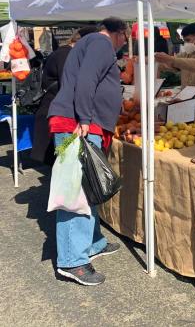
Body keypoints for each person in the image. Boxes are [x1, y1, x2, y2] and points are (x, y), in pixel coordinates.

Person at [47, 17, 128, 286]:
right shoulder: (101, 43)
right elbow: (86, 80)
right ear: (118, 33)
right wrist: (83, 118)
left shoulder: (91, 43)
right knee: (76, 191)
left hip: (82, 123)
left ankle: (92, 242)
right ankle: (72, 261)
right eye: (125, 38)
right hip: (77, 125)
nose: (124, 44)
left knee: (89, 184)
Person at [30, 26, 97, 167]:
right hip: (59, 114)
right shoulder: (65, 55)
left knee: (64, 163)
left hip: (58, 111)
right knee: (66, 164)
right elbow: (72, 85)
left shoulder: (68, 53)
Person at [155, 23, 195, 99]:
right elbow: (170, 64)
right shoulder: (186, 54)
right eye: (184, 41)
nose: (185, 43)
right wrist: (152, 61)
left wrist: (171, 59)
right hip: (188, 100)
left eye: (188, 40)